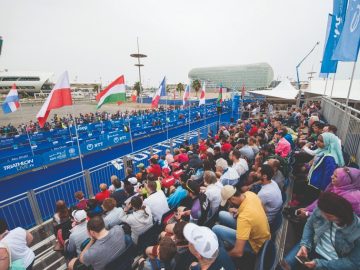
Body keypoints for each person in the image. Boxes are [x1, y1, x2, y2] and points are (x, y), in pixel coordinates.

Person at [282, 192, 360, 270]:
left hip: (333, 262)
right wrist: (305, 245)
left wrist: (320, 264)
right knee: (285, 265)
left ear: (341, 215)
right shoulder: (322, 210)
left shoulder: (357, 231)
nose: (323, 216)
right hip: (313, 245)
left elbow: (353, 263)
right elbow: (309, 225)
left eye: (329, 216)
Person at [212, 186, 270, 259]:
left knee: (216, 229)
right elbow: (265, 210)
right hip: (264, 236)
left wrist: (225, 255)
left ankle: (221, 254)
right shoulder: (250, 194)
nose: (230, 204)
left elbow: (238, 252)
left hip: (256, 245)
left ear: (232, 199)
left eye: (229, 202)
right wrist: (238, 211)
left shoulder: (244, 218)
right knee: (222, 214)